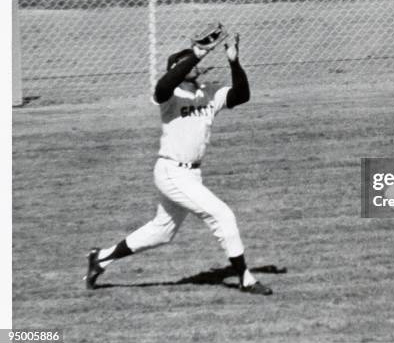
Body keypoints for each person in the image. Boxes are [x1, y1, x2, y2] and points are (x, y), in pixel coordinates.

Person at [84, 33, 272, 295]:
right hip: (172, 171)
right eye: (189, 62)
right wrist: (195, 53)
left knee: (162, 231)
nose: (197, 64)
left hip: (192, 174)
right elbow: (161, 87)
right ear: (178, 69)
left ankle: (101, 258)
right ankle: (245, 278)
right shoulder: (170, 94)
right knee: (222, 215)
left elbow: (242, 95)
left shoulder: (207, 93)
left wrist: (234, 61)